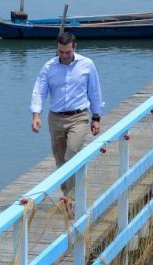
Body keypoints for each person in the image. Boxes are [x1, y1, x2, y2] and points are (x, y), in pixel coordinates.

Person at [30, 32, 103, 199]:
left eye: (67, 52)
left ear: (74, 48)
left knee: (72, 154)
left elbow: (94, 92)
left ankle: (71, 199)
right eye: (61, 52)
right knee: (61, 160)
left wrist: (96, 117)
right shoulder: (49, 67)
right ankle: (67, 196)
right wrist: (36, 115)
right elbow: (39, 91)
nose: (64, 56)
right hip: (55, 118)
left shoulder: (87, 65)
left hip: (79, 117)